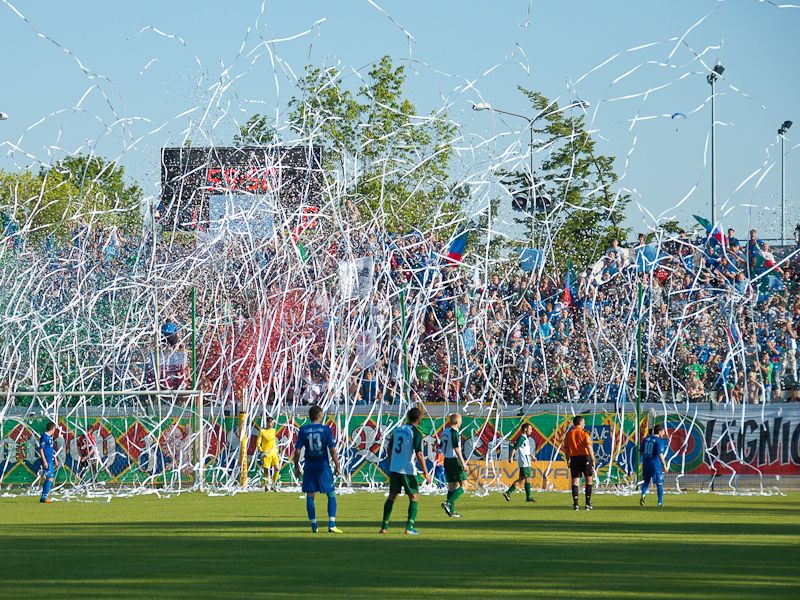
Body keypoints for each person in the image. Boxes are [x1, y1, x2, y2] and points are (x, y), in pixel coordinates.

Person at [380, 406, 431, 535]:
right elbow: (419, 454)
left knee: (392, 496)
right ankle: (409, 527)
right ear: (419, 418)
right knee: (414, 497)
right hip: (407, 469)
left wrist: (392, 462)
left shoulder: (398, 430)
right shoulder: (416, 432)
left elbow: (389, 448)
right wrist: (426, 472)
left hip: (395, 468)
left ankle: (384, 527)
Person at [292, 406, 342, 534]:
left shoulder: (303, 430)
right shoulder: (326, 430)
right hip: (323, 466)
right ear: (320, 415)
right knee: (330, 493)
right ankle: (331, 524)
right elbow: (332, 450)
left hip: (309, 467)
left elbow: (297, 451)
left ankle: (314, 526)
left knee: (310, 495)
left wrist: (296, 466)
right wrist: (337, 465)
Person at [563, 415, 595, 511]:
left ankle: (576, 504)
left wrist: (568, 459)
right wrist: (593, 460)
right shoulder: (584, 433)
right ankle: (587, 504)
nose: (584, 424)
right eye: (583, 422)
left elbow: (566, 449)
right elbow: (589, 447)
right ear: (580, 423)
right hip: (585, 458)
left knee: (575, 481)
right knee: (588, 480)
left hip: (574, 459)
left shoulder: (569, 434)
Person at [440, 413, 467, 518]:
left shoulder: (444, 432)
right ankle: (448, 502)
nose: (461, 423)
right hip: (455, 460)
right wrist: (463, 462)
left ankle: (451, 511)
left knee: (452, 486)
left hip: (447, 460)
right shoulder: (454, 432)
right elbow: (456, 448)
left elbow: (441, 445)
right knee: (464, 485)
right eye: (460, 421)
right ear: (456, 422)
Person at [502, 422, 536, 503]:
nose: (531, 431)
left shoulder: (525, 438)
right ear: (525, 429)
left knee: (522, 479)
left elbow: (526, 450)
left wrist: (532, 456)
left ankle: (508, 492)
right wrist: (511, 457)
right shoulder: (521, 438)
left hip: (527, 461)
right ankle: (528, 497)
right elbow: (514, 448)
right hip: (524, 462)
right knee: (527, 478)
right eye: (530, 429)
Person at [640, 423, 669, 508]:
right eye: (663, 431)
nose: (664, 433)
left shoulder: (646, 439)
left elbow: (641, 451)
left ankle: (643, 494)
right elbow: (660, 454)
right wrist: (664, 465)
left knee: (646, 482)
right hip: (655, 464)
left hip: (646, 463)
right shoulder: (659, 441)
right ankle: (660, 503)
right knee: (659, 483)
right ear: (659, 431)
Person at [257, 416, 281, 491]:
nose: (272, 424)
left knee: (277, 468)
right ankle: (266, 486)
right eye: (271, 423)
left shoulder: (274, 430)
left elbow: (274, 442)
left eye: (273, 423)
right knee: (266, 470)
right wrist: (262, 451)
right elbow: (258, 442)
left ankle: (274, 485)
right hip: (266, 454)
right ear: (267, 422)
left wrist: (277, 451)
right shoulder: (262, 431)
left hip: (274, 453)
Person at [38, 421, 57, 504]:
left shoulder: (50, 437)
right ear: (52, 429)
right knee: (49, 478)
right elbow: (41, 449)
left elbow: (50, 449)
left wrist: (55, 458)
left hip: (50, 460)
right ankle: (44, 497)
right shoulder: (44, 436)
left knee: (49, 478)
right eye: (55, 429)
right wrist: (44, 461)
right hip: (47, 460)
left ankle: (43, 497)